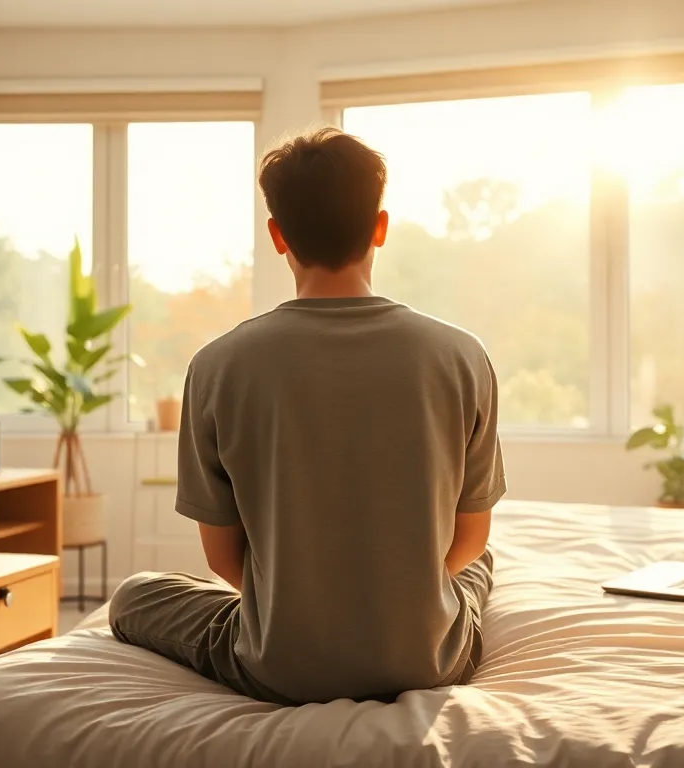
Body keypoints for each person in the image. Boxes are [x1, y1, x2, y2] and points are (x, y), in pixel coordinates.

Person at [108, 127, 506, 706]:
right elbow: (469, 539)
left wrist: (301, 607)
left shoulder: (218, 365)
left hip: (280, 666)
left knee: (136, 595)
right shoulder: (462, 355)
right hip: (429, 658)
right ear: (380, 227)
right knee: (481, 564)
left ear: (277, 235)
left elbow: (222, 559)